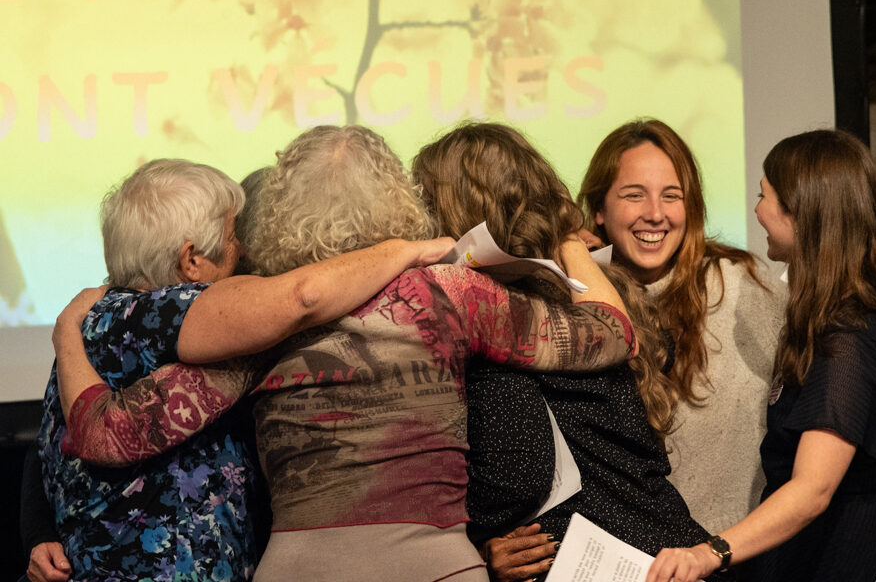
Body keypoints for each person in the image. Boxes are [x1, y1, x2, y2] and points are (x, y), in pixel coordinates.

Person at [49, 125, 637, 582]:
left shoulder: (263, 324)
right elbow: (611, 333)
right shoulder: (448, 294)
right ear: (397, 197)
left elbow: (108, 436)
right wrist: (566, 236)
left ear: (278, 210)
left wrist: (68, 337)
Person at [34, 157, 456, 581]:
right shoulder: (157, 312)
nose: (245, 251)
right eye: (234, 236)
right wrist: (405, 251)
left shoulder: (94, 323)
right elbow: (303, 299)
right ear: (191, 260)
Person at [411, 122, 726, 582]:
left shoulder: (494, 318)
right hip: (669, 551)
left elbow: (518, 474)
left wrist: (476, 543)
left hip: (602, 564)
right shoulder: (597, 289)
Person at [646, 129, 876, 582]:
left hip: (837, 565)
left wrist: (708, 553)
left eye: (765, 197)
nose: (756, 210)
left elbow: (814, 489)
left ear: (804, 213)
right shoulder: (833, 317)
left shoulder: (850, 338)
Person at [578, 118, 784, 534]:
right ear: (599, 209)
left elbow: (829, 317)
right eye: (634, 195)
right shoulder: (573, 299)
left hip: (732, 558)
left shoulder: (740, 284)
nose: (655, 215)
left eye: (671, 196)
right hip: (623, 561)